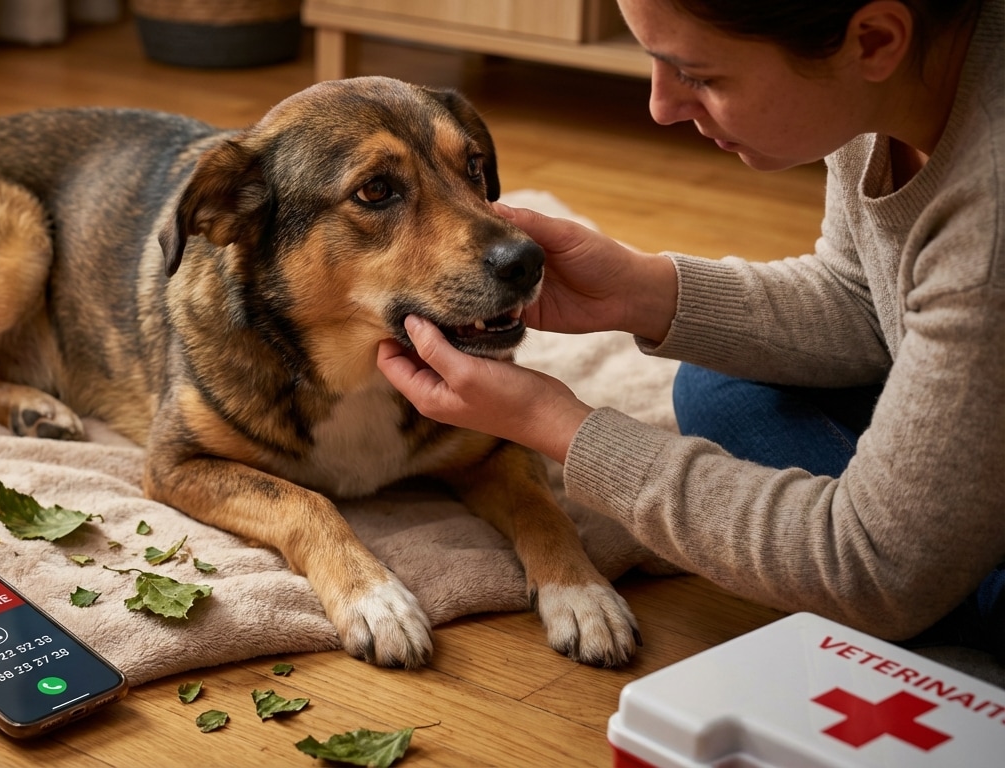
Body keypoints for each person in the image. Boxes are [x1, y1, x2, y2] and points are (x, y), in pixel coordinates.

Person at [377, 0, 1005, 661]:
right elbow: (866, 299)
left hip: (893, 565)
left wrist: (556, 424)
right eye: (651, 56)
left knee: (888, 575)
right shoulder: (884, 88)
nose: (661, 106)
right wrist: (639, 291)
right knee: (719, 389)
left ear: (874, 40)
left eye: (697, 75)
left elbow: (875, 568)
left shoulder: (987, 227)